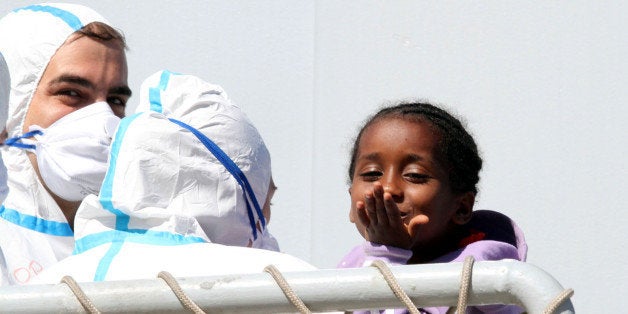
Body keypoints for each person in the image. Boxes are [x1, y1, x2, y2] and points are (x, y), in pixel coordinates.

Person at [34, 70, 313, 283]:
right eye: (266, 201)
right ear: (233, 197)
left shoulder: (40, 289)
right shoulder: (284, 285)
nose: (265, 221)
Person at [338, 102, 527, 313]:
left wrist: (389, 256)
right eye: (371, 174)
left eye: (415, 175)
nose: (388, 189)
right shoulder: (353, 264)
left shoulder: (482, 270)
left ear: (462, 208)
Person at [0, 3, 130, 285]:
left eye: (116, 100)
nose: (102, 119)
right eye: (71, 93)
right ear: (13, 103)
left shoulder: (137, 241)